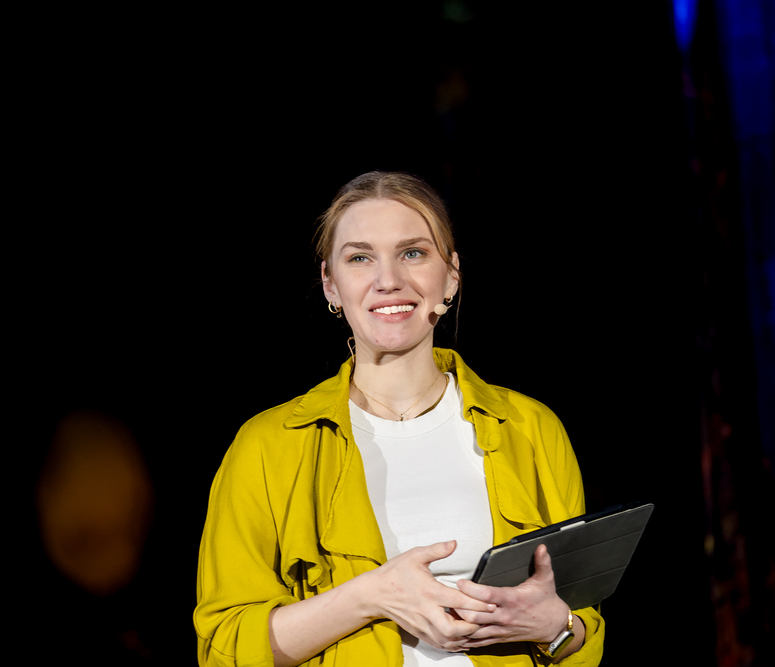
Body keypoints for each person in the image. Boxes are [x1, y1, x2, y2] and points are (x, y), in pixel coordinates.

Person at [194, 171, 604, 666]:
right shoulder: (267, 445)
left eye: (413, 253)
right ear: (330, 284)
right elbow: (225, 647)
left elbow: (580, 625)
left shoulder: (531, 428)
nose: (388, 280)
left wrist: (556, 627)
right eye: (360, 257)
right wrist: (373, 595)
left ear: (451, 275)